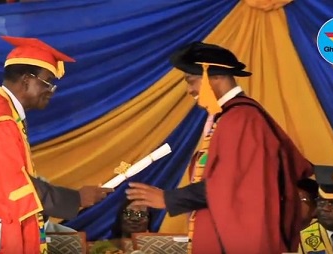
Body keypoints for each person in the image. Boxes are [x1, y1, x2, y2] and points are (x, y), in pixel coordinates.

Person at [125, 42, 314, 253]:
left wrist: (169, 199)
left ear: (215, 76)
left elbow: (229, 183)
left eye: (191, 81)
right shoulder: (228, 117)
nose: (189, 90)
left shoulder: (241, 119)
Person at [0, 36, 113, 254]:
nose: (51, 91)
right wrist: (77, 198)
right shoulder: (0, 120)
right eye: (48, 82)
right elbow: (15, 187)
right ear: (26, 80)